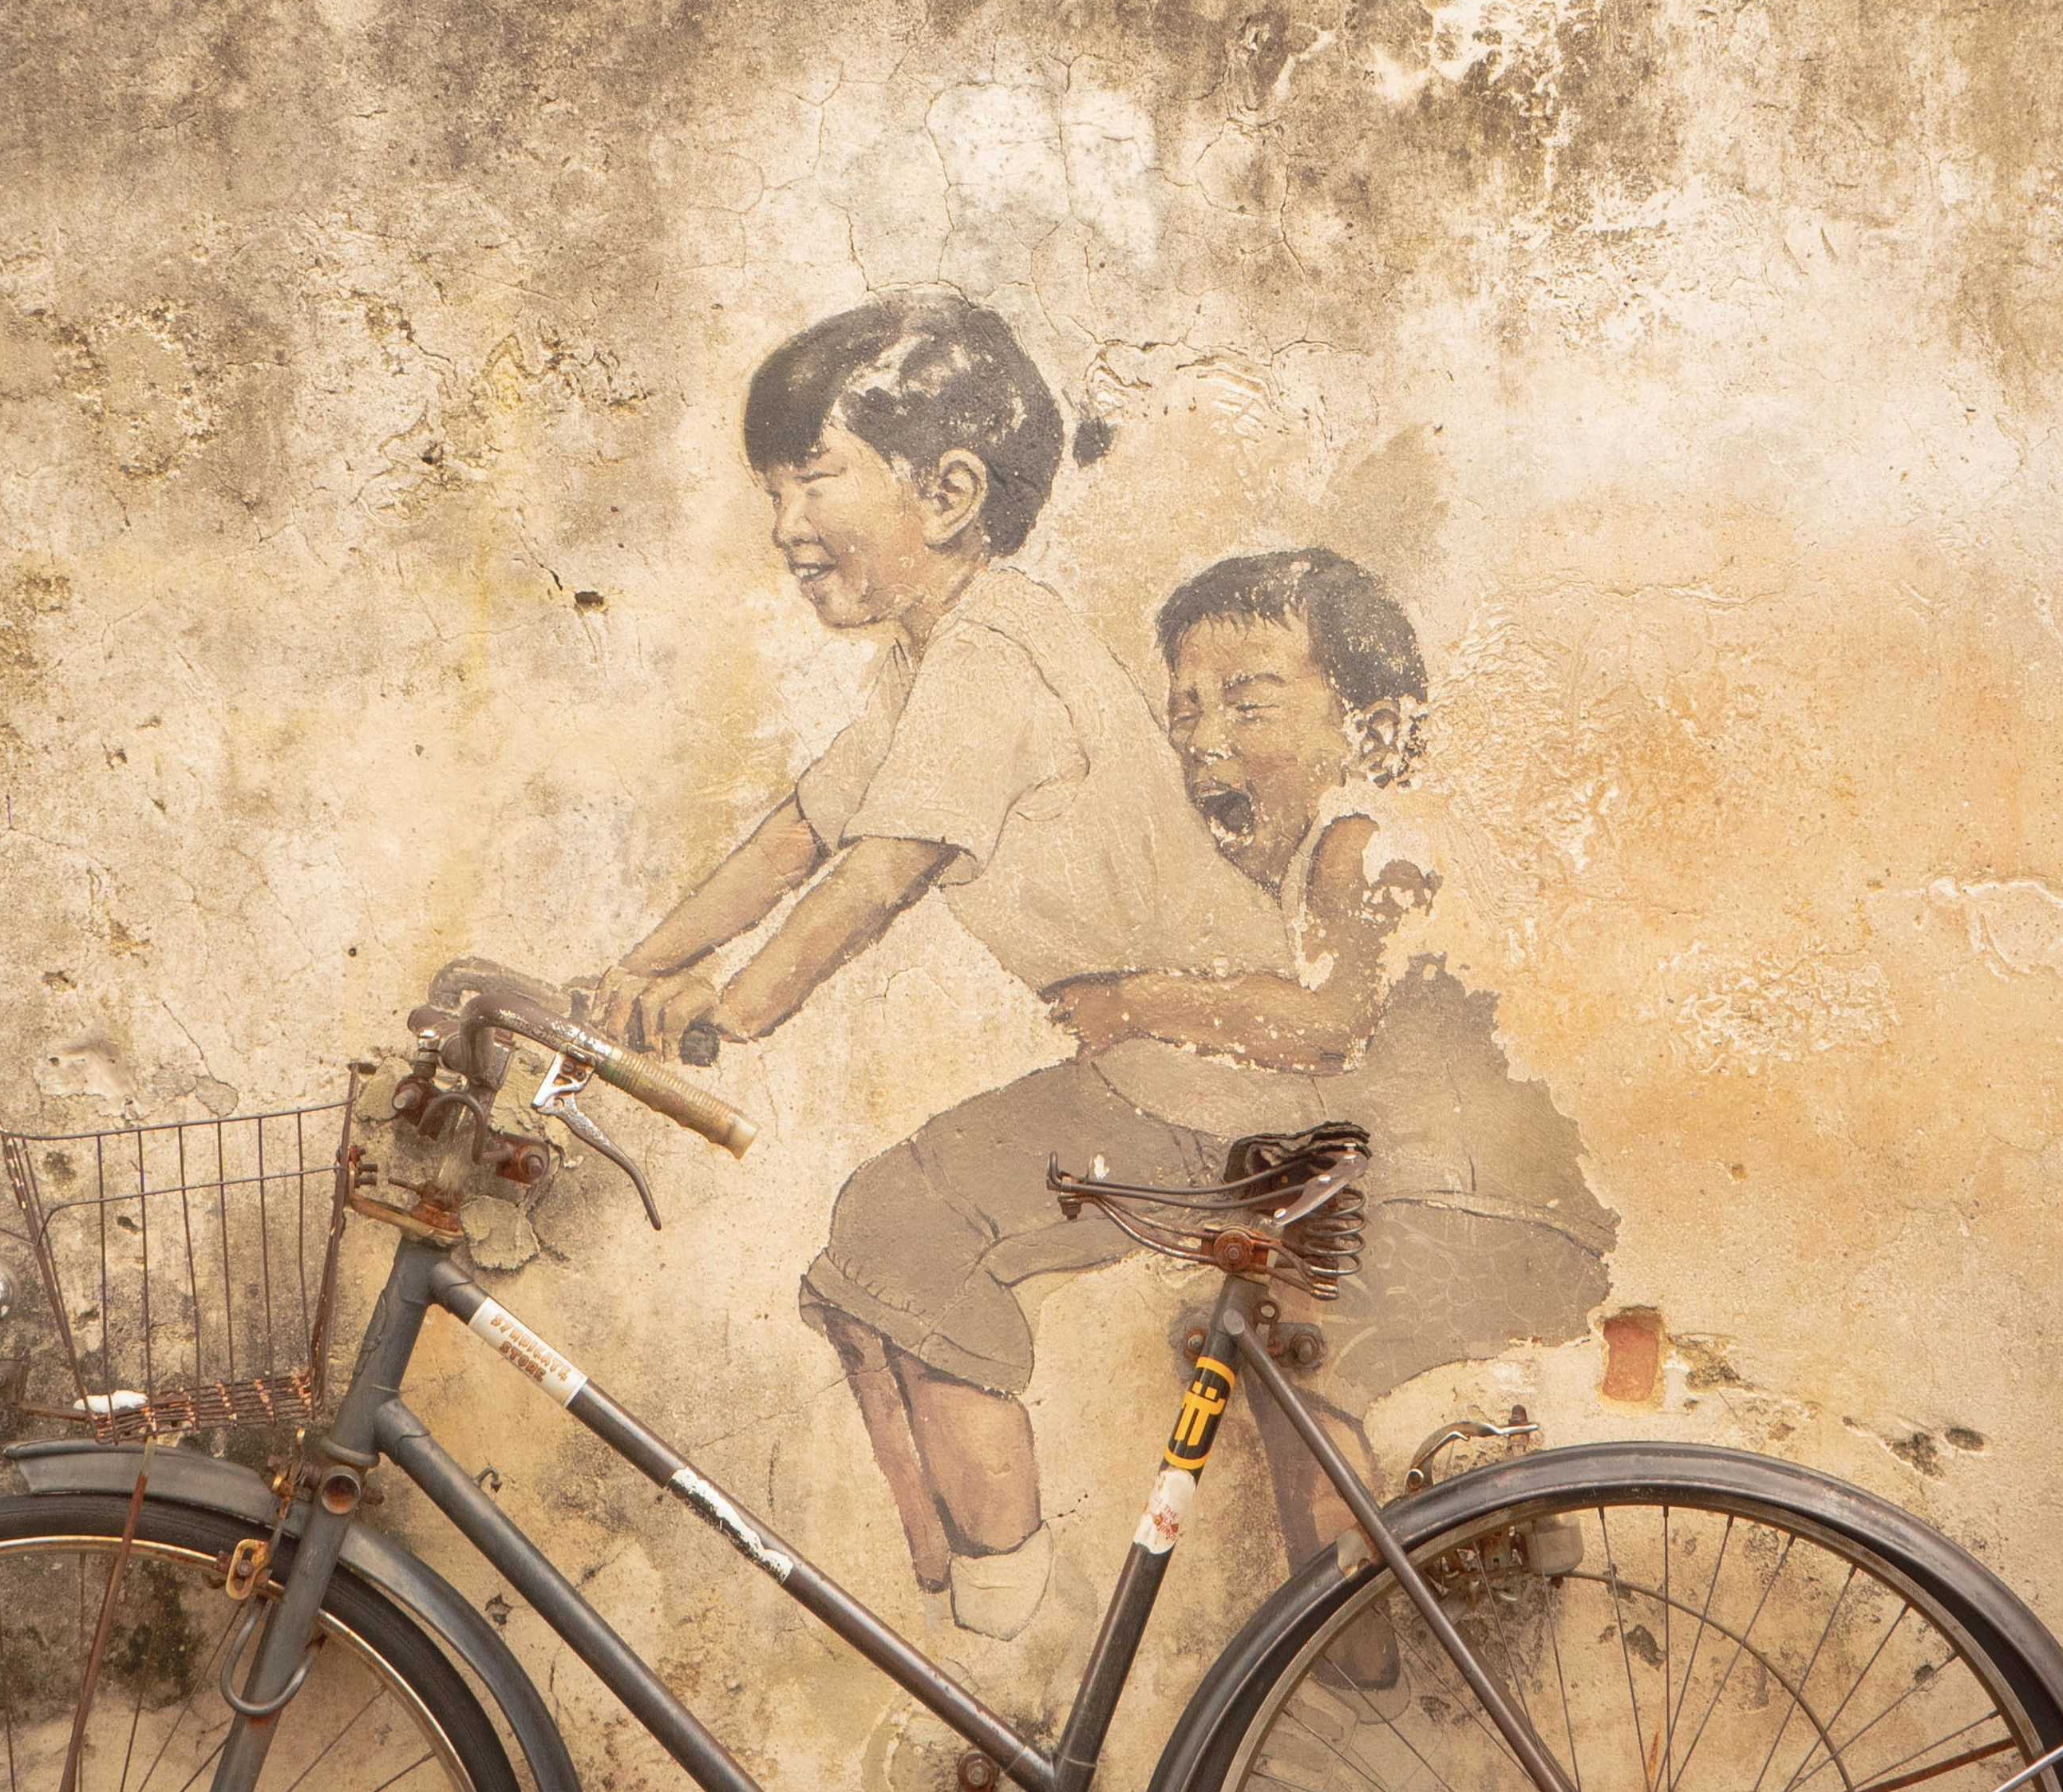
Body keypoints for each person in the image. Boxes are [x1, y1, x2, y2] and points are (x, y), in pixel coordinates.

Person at [591, 294, 1350, 1638]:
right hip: (1149, 1075)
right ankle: (963, 1593)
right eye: (773, 489)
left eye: (812, 477)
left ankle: (1007, 1623)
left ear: (945, 493)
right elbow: (796, 837)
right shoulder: (930, 661)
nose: (783, 524)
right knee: (869, 1256)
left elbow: (879, 874)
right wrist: (620, 976)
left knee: (907, 1233)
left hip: (1203, 1080)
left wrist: (729, 1010)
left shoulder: (998, 655)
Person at [1101, 542, 1615, 1548]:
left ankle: (1362, 1646)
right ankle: (1386, 1604)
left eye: (1248, 706)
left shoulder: (1360, 840)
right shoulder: (1346, 848)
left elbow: (1328, 1025)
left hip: (1473, 1209)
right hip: (1453, 1202)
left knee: (1296, 1352)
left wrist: (1136, 1002)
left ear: (1372, 728)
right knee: (1252, 1338)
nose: (1205, 740)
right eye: (1186, 710)